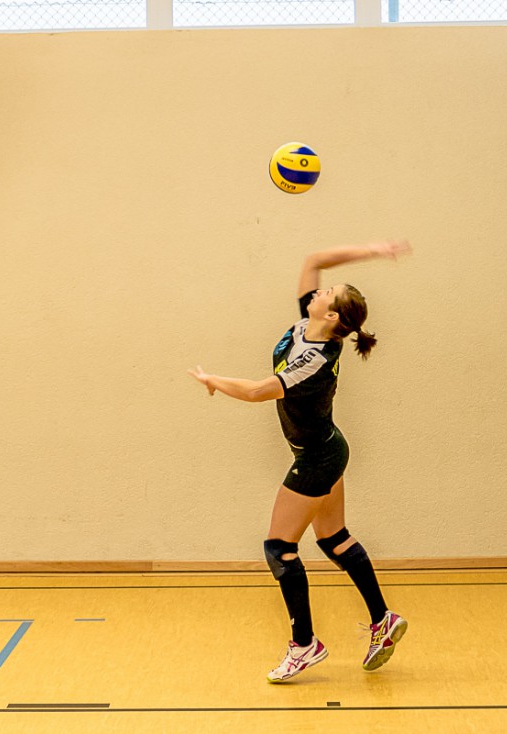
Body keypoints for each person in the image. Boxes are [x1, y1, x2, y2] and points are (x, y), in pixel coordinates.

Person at [188, 241, 412, 683]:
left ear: (331, 317)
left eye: (328, 293)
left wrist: (214, 380)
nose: (318, 291)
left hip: (317, 458)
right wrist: (376, 250)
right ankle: (382, 619)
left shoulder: (316, 357)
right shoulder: (310, 325)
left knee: (279, 548)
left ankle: (304, 644)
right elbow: (314, 260)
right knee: (334, 540)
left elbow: (257, 391)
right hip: (328, 449)